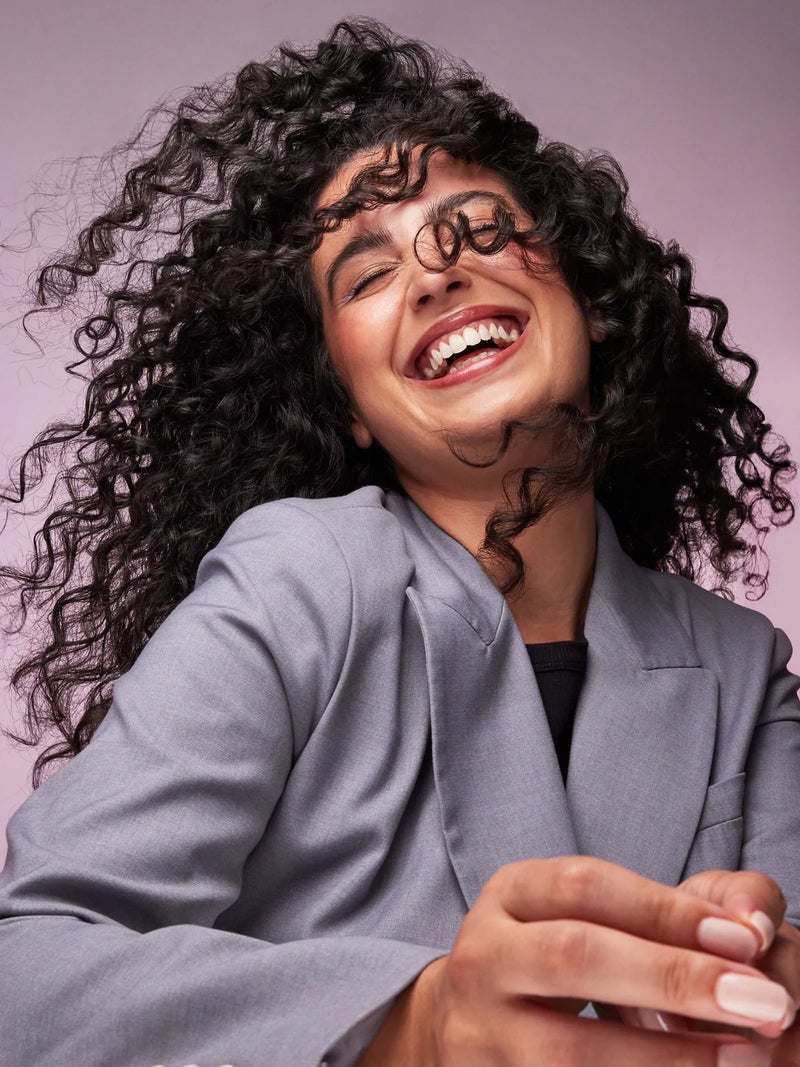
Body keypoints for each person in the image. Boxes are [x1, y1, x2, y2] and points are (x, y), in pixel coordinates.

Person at [0, 16, 798, 1067]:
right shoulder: (294, 582)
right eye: (365, 276)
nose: (432, 274)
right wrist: (411, 1022)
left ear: (592, 299)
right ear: (350, 409)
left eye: (479, 229)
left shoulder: (744, 669)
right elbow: (29, 972)